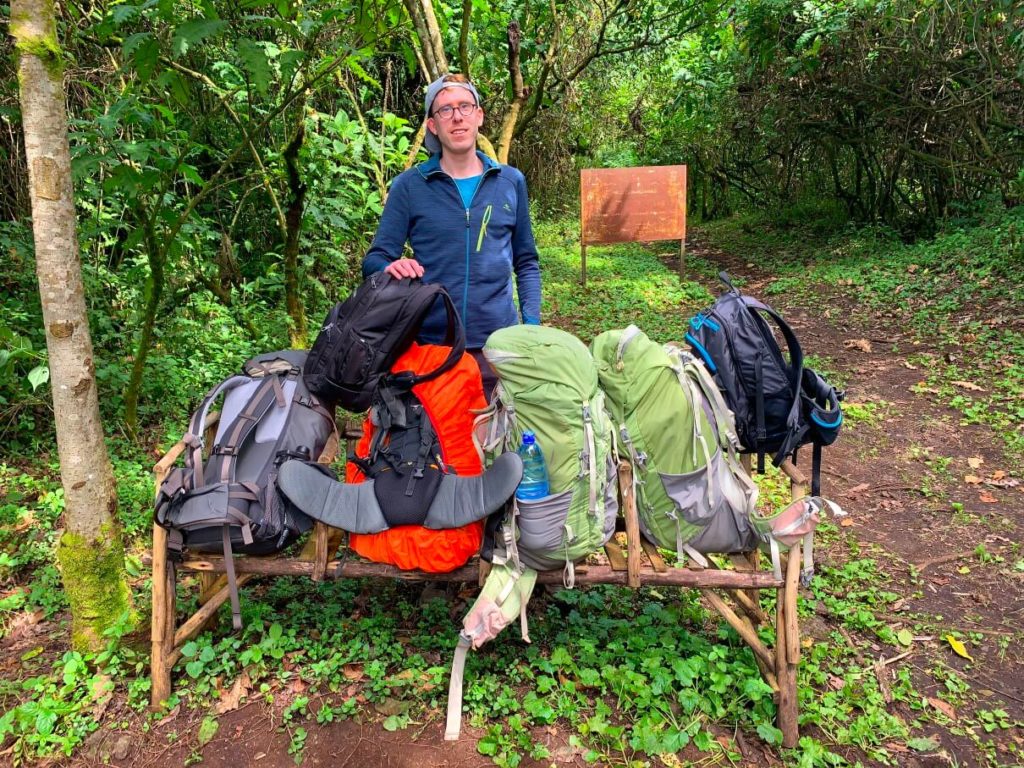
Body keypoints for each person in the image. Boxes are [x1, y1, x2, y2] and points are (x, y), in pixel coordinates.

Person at [362, 73, 541, 396]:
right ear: (433, 125)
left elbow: (526, 261)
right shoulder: (410, 186)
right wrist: (390, 268)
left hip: (499, 346)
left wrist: (530, 327)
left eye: (464, 106)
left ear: (479, 116)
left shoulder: (510, 182)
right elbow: (374, 261)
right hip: (432, 348)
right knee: (439, 444)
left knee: (501, 444)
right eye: (445, 110)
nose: (457, 116)